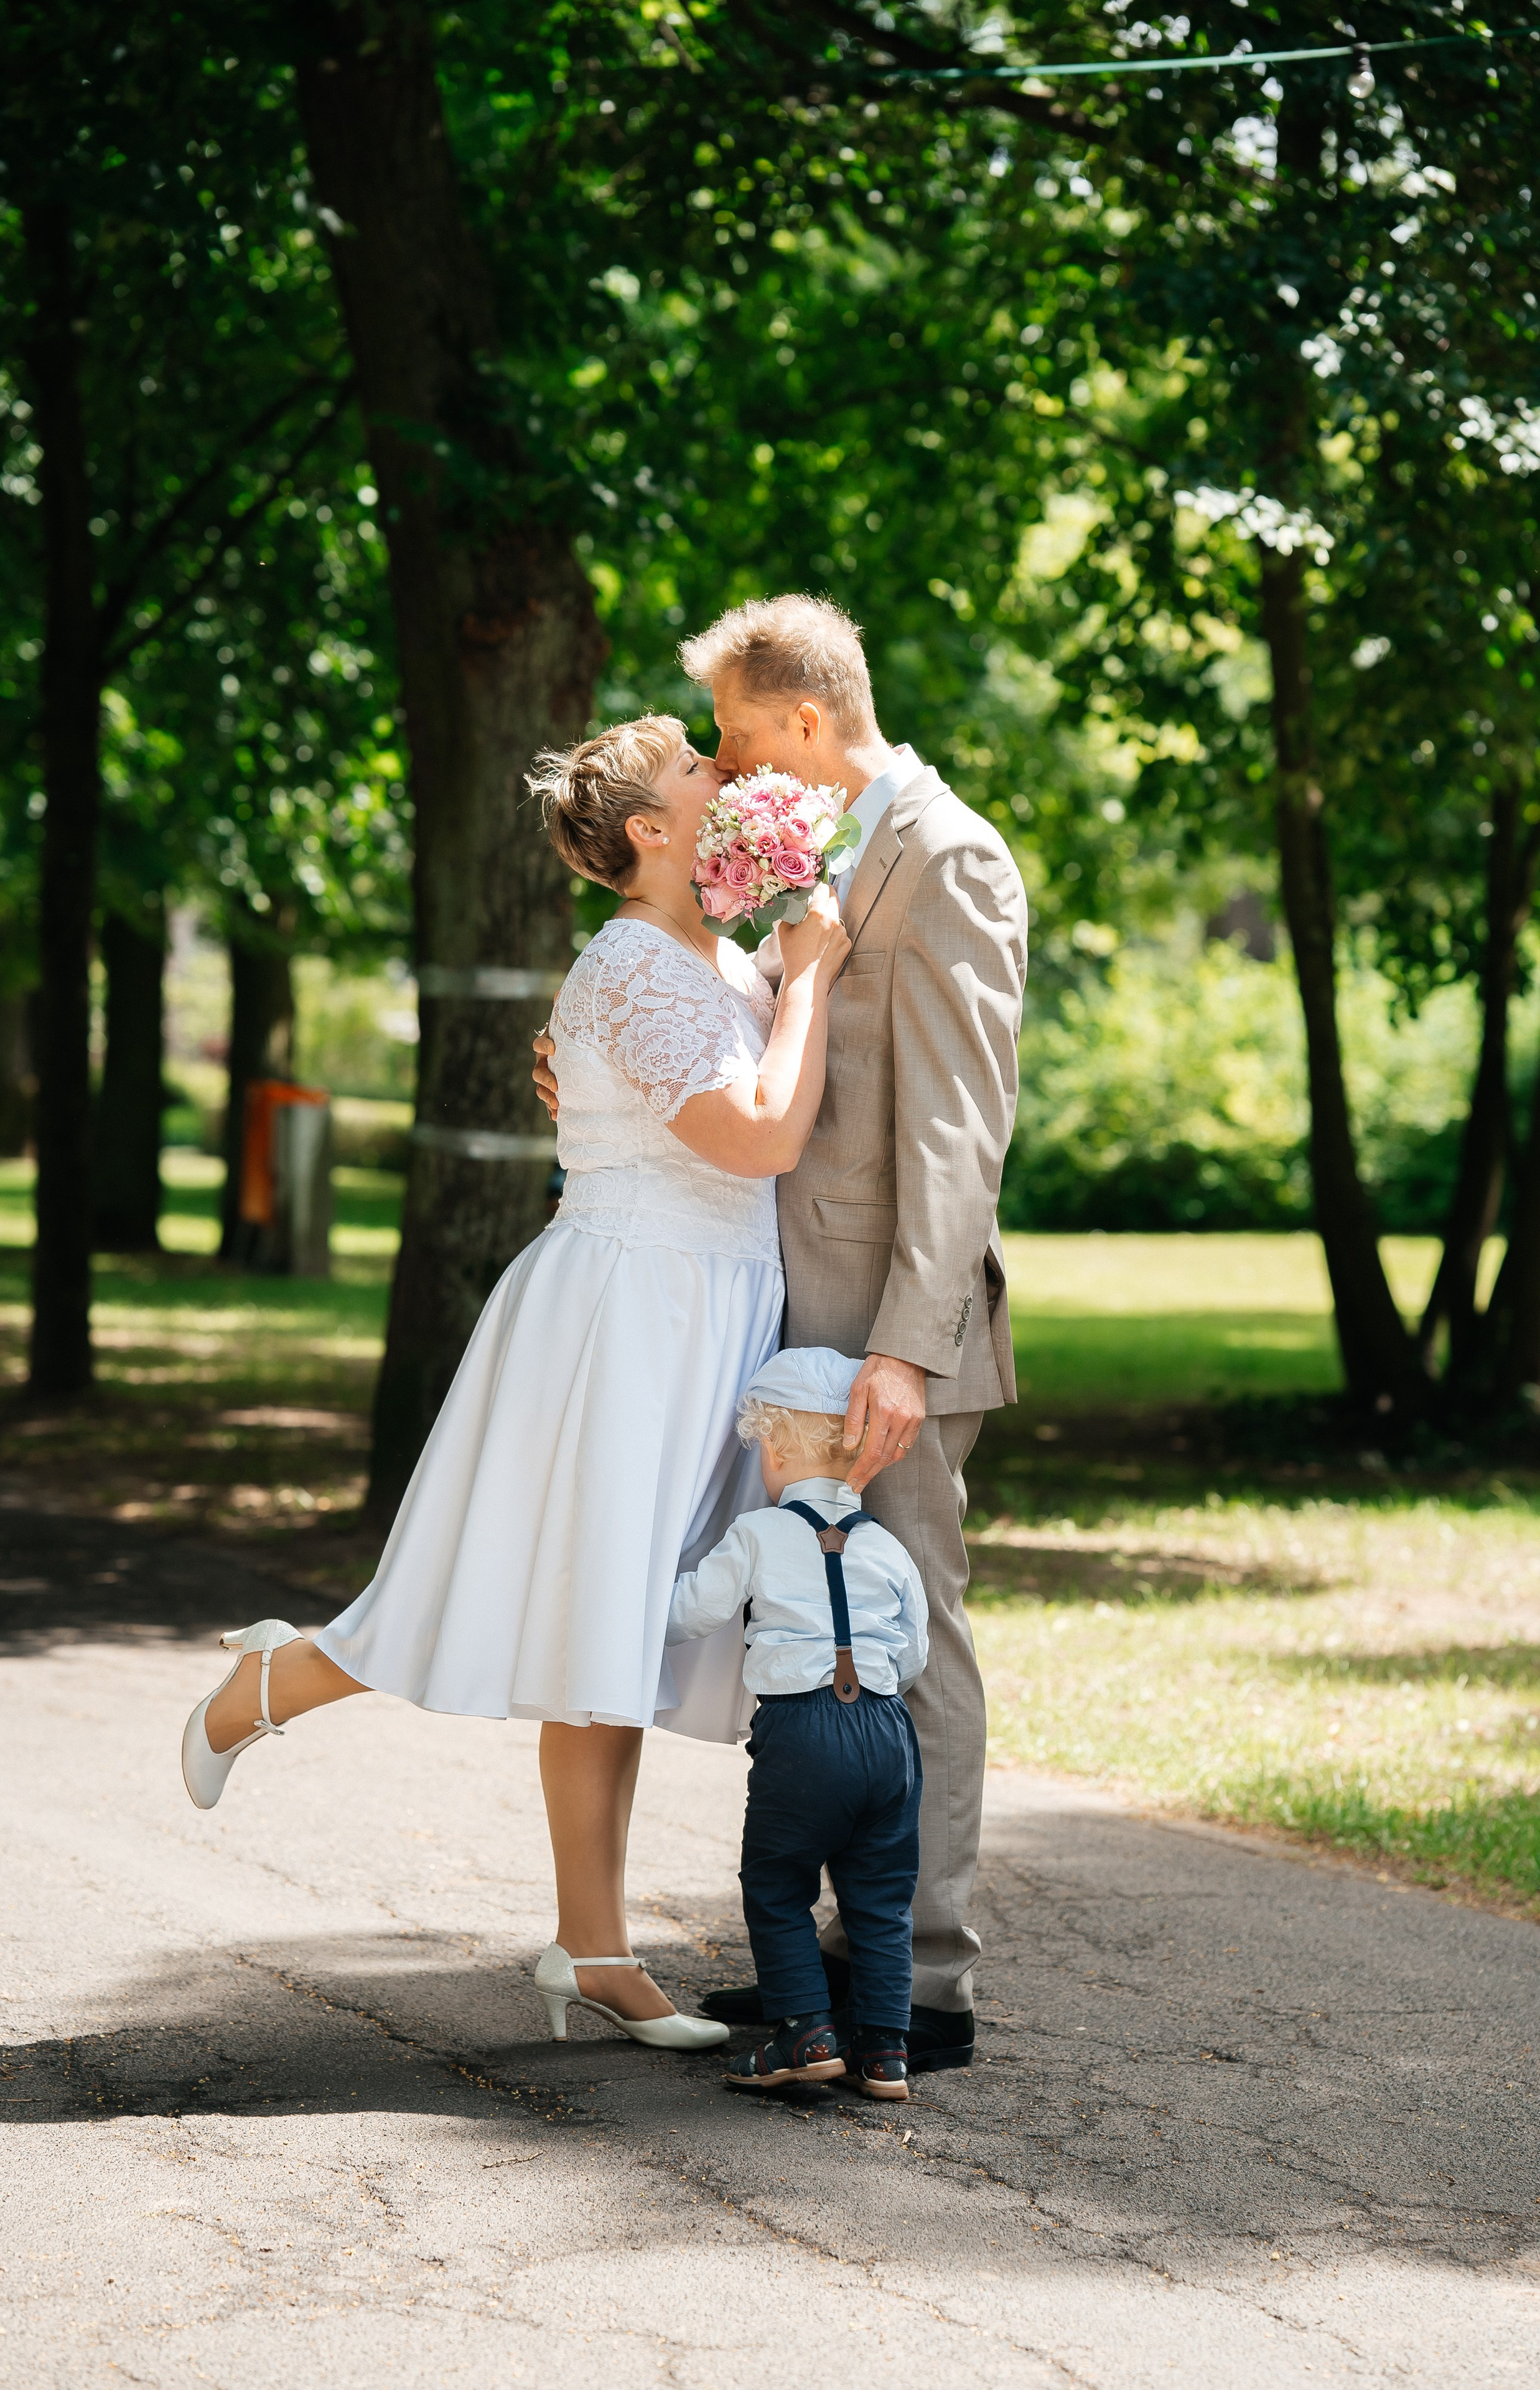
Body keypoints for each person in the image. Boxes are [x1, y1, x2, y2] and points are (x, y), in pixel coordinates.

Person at [179, 713, 851, 2053]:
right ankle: (267, 1686)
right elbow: (762, 1134)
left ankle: (591, 1950)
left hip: (702, 1312)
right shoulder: (634, 968)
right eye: (699, 770)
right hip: (623, 1318)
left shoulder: (707, 958)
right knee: (495, 1598)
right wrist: (814, 976)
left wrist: (782, 971)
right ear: (650, 833)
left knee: (619, 1636)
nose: (728, 777)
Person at [536, 595, 1027, 2072]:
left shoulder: (947, 858)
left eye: (741, 740)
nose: (730, 770)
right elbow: (736, 1040)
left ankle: (923, 1979)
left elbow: (957, 1131)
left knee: (905, 1628)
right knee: (806, 1639)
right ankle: (830, 1959)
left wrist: (906, 1346)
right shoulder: (805, 859)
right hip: (776, 1306)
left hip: (889, 1328)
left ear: (805, 724)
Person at [666, 1347, 927, 2103]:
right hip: (886, 1731)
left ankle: (805, 2033)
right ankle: (884, 2052)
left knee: (778, 1885)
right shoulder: (888, 1546)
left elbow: (690, 1615)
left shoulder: (756, 1534)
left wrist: (636, 1589)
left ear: (773, 1448)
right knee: (879, 1896)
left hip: (803, 1733)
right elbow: (911, 1653)